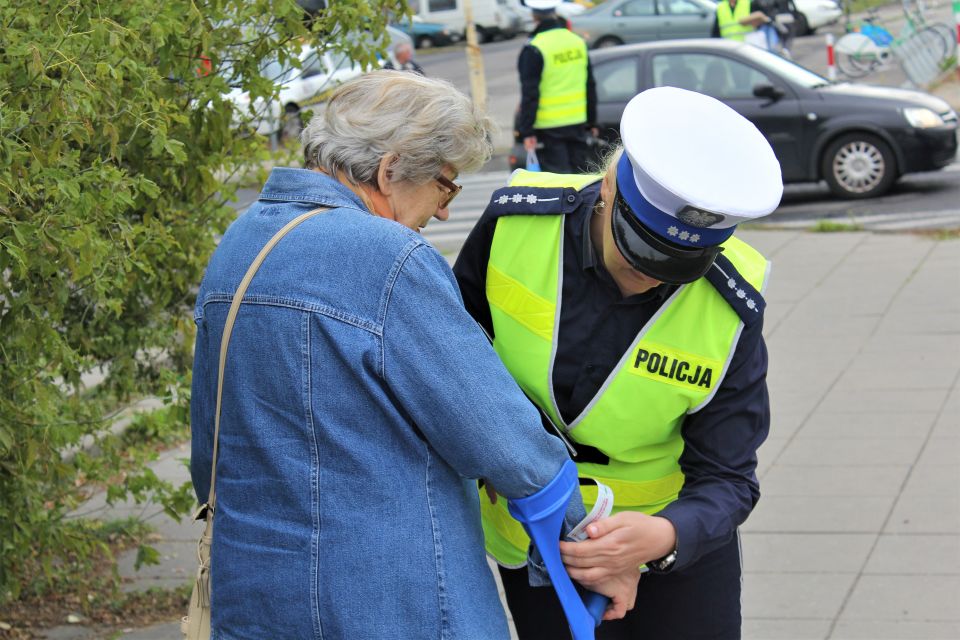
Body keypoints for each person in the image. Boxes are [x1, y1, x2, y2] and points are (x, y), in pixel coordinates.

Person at [189, 71, 637, 639]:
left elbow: (210, 453)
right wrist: (591, 551)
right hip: (391, 601)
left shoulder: (241, 242)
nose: (446, 212)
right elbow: (504, 441)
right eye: (445, 186)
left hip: (255, 595)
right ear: (390, 169)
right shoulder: (387, 255)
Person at [453, 86, 783, 639]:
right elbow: (453, 355)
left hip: (674, 558)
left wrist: (663, 537)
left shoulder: (732, 307)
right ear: (607, 189)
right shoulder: (516, 224)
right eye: (639, 252)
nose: (651, 276)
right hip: (537, 543)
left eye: (675, 268)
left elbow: (728, 477)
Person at [518, 0, 598, 173]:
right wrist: (592, 121)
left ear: (533, 15)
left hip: (549, 128)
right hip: (578, 122)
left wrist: (527, 131)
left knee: (559, 184)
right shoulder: (577, 42)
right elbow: (590, 84)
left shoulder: (534, 47)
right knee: (581, 179)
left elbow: (530, 93)